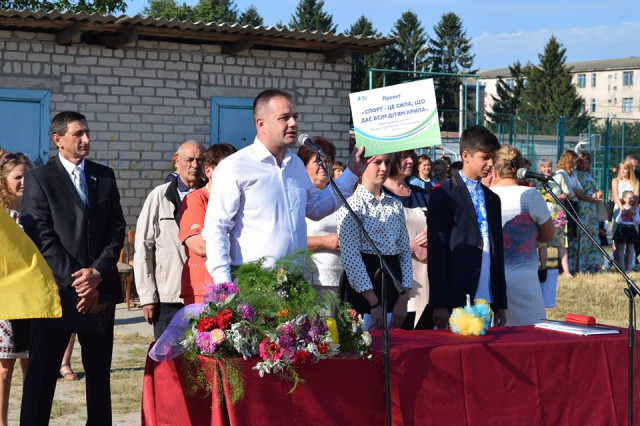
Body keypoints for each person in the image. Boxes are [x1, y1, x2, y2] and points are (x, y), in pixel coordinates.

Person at [20, 111, 125, 425]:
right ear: (58, 139)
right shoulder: (40, 179)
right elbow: (40, 234)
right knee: (41, 376)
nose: (86, 140)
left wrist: (96, 274)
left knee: (99, 375)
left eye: (87, 132)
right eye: (78, 134)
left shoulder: (103, 176)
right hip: (56, 294)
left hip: (99, 291)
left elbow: (116, 229)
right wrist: (77, 281)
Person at [203, 89, 368, 283]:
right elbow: (217, 228)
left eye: (295, 117)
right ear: (261, 124)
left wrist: (352, 172)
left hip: (294, 281)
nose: (293, 123)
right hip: (252, 282)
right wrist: (223, 283)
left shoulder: (295, 165)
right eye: (284, 118)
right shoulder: (235, 167)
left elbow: (315, 207)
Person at [424, 125, 507, 329]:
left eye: (492, 158)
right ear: (466, 156)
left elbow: (497, 251)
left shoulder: (493, 199)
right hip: (457, 293)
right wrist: (440, 302)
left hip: (486, 294)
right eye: (484, 158)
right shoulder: (444, 194)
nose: (490, 164)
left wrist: (500, 302)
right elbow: (437, 251)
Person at [135, 140, 205, 339]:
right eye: (189, 160)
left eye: (199, 160)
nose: (194, 165)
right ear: (177, 161)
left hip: (203, 294)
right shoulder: (159, 196)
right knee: (167, 356)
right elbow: (143, 247)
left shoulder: (211, 196)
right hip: (168, 296)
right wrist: (147, 297)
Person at [338, 154, 412, 331]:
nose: (384, 168)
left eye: (388, 162)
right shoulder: (352, 205)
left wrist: (404, 297)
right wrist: (373, 302)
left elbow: (404, 251)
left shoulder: (395, 205)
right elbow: (351, 257)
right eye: (377, 162)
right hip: (363, 287)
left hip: (393, 284)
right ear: (363, 165)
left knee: (395, 343)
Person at [490, 145, 553, 326]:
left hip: (492, 281)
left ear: (494, 169)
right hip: (525, 281)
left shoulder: (487, 195)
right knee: (530, 335)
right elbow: (548, 234)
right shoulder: (530, 195)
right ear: (520, 169)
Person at [178, 143, 236, 305]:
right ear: (209, 171)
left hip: (236, 285)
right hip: (204, 289)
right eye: (227, 169)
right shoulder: (195, 199)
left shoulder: (239, 200)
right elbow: (201, 246)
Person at [0, 152, 33, 425]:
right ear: (4, 181)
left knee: (32, 364)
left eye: (27, 177)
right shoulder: (2, 216)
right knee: (4, 369)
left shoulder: (37, 212)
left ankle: (30, 418)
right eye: (18, 177)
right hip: (6, 298)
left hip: (33, 298)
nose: (23, 182)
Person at [382, 150, 430, 329]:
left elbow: (439, 225)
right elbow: (376, 233)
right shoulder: (379, 194)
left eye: (411, 157)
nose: (410, 161)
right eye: (403, 157)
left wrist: (433, 236)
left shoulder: (422, 194)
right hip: (395, 274)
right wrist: (411, 246)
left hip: (425, 274)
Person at [298, 136, 343, 293]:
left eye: (327, 160)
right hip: (312, 281)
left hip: (343, 278)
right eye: (317, 161)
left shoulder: (339, 196)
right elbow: (290, 240)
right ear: (304, 166)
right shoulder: (300, 198)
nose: (323, 165)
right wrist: (325, 242)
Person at [553, 150, 593, 277]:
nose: (576, 164)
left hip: (573, 205)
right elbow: (568, 192)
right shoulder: (561, 173)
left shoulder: (572, 173)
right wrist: (574, 192)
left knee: (571, 235)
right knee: (565, 236)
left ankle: (569, 264)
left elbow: (579, 190)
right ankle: (562, 266)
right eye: (574, 161)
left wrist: (575, 192)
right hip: (565, 206)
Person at [535, 157, 570, 279]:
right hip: (543, 215)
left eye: (549, 166)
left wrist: (556, 197)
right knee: (542, 244)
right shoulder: (536, 181)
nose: (547, 169)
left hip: (558, 215)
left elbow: (567, 193)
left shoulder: (558, 177)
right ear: (540, 168)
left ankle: (566, 271)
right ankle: (543, 268)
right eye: (544, 167)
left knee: (561, 243)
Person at [574, 152, 603, 273]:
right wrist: (589, 199)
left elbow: (594, 188)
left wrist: (598, 193)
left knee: (593, 233)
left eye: (586, 162)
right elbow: (577, 193)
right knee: (583, 234)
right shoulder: (575, 174)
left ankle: (593, 263)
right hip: (582, 207)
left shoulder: (589, 174)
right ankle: (581, 264)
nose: (584, 165)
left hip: (592, 208)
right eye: (581, 162)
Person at [611, 161, 639, 266]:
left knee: (630, 241)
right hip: (619, 210)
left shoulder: (635, 182)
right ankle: (618, 264)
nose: (623, 171)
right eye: (621, 169)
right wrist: (622, 209)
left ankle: (629, 265)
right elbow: (615, 196)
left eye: (625, 169)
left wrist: (632, 209)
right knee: (618, 239)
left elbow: (636, 197)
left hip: (632, 213)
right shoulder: (615, 181)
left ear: (629, 170)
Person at [613, 191, 640, 272]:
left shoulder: (635, 209)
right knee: (621, 249)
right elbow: (617, 221)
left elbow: (638, 221)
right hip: (622, 229)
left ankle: (629, 267)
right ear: (624, 199)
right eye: (629, 198)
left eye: (633, 198)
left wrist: (633, 216)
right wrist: (622, 215)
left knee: (631, 249)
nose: (632, 199)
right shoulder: (621, 208)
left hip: (631, 229)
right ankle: (622, 267)